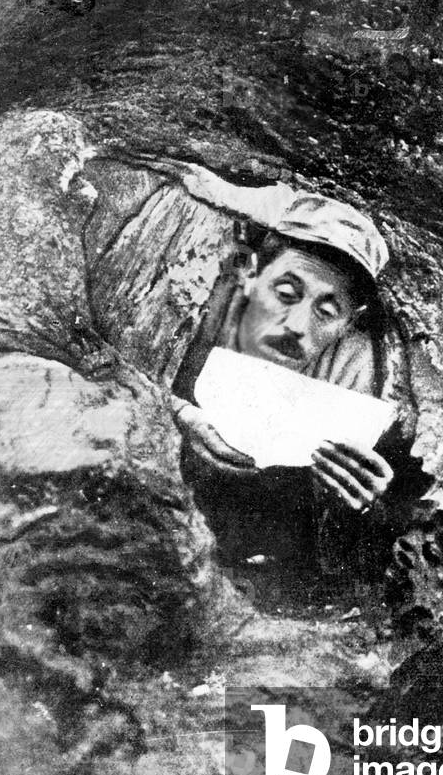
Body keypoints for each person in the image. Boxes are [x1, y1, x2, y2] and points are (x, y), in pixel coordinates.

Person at [171, 194, 405, 581]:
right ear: (251, 273)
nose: (297, 325)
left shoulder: (355, 373)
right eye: (286, 294)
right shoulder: (195, 308)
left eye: (327, 312)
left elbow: (331, 554)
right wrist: (173, 414)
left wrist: (359, 507)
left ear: (350, 321)